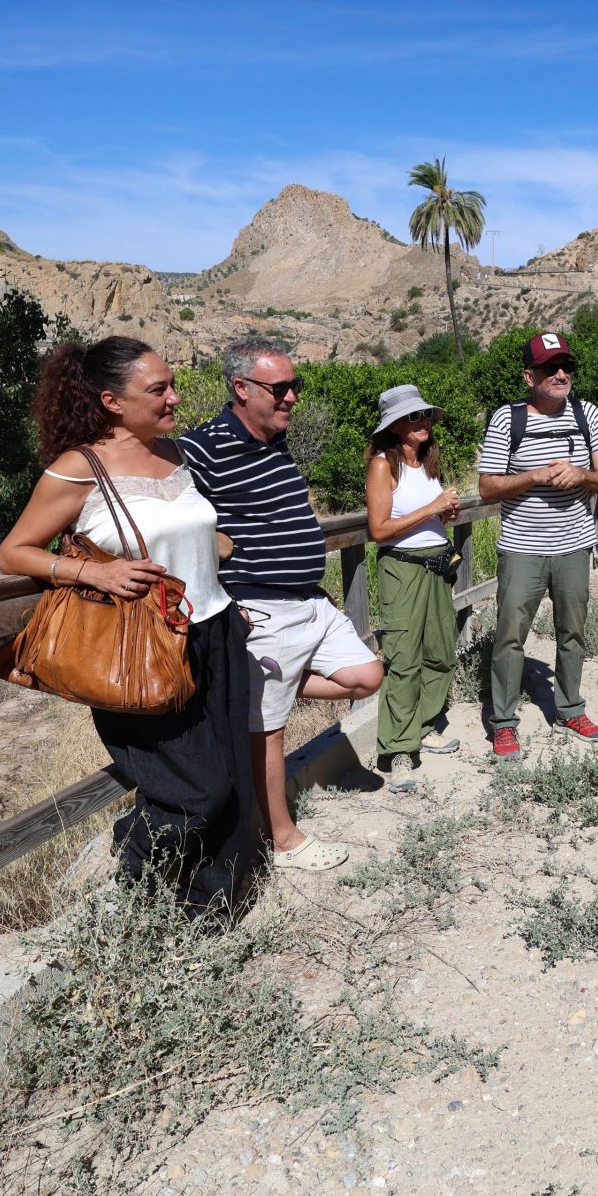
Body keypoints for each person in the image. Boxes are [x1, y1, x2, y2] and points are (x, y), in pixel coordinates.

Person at [0, 336, 252, 912]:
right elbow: (12, 554)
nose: (174, 398)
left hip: (215, 628)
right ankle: (135, 886)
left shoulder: (175, 454)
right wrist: (93, 573)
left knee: (232, 771)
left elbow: (188, 531)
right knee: (196, 789)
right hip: (143, 643)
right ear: (112, 402)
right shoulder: (78, 469)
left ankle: (213, 907)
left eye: (171, 385)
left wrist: (210, 549)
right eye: (158, 389)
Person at [177, 337, 382, 873]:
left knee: (366, 675)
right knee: (267, 733)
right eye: (280, 388)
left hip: (309, 601)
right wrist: (212, 555)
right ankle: (284, 840)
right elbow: (168, 521)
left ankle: (262, 687)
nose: (292, 397)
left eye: (296, 385)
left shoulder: (275, 439)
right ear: (241, 388)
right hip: (260, 608)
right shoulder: (200, 448)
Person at [476, 332, 598, 760]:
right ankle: (504, 722)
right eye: (549, 368)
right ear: (529, 376)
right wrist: (534, 476)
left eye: (566, 366)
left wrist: (582, 475)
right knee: (510, 636)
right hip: (522, 547)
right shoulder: (507, 419)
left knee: (572, 631)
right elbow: (487, 488)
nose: (560, 374)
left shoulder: (588, 414)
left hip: (574, 545)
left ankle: (570, 709)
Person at [365, 383, 465, 778]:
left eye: (425, 414)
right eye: (413, 416)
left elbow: (426, 517)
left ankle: (422, 728)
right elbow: (379, 530)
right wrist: (431, 507)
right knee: (403, 658)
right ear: (394, 426)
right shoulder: (383, 466)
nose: (423, 421)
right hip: (403, 570)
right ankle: (398, 751)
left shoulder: (427, 462)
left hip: (437, 565)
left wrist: (444, 514)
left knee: (440, 652)